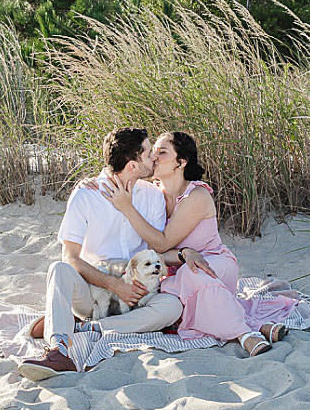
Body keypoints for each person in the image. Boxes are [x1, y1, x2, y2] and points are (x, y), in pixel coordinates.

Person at [17, 127, 215, 381]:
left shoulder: (153, 197)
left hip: (136, 296)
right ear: (132, 165)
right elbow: (71, 257)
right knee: (58, 269)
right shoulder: (86, 195)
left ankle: (85, 327)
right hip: (93, 293)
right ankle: (59, 350)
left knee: (172, 307)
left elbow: (156, 250)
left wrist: (184, 253)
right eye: (148, 153)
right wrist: (114, 285)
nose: (154, 157)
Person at [89, 132, 297, 357]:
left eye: (162, 152)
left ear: (181, 162)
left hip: (213, 264)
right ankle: (257, 326)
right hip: (178, 273)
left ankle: (244, 334)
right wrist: (93, 183)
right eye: (153, 152)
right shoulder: (153, 193)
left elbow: (162, 243)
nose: (154, 157)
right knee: (182, 282)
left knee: (193, 273)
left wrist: (127, 208)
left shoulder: (196, 195)